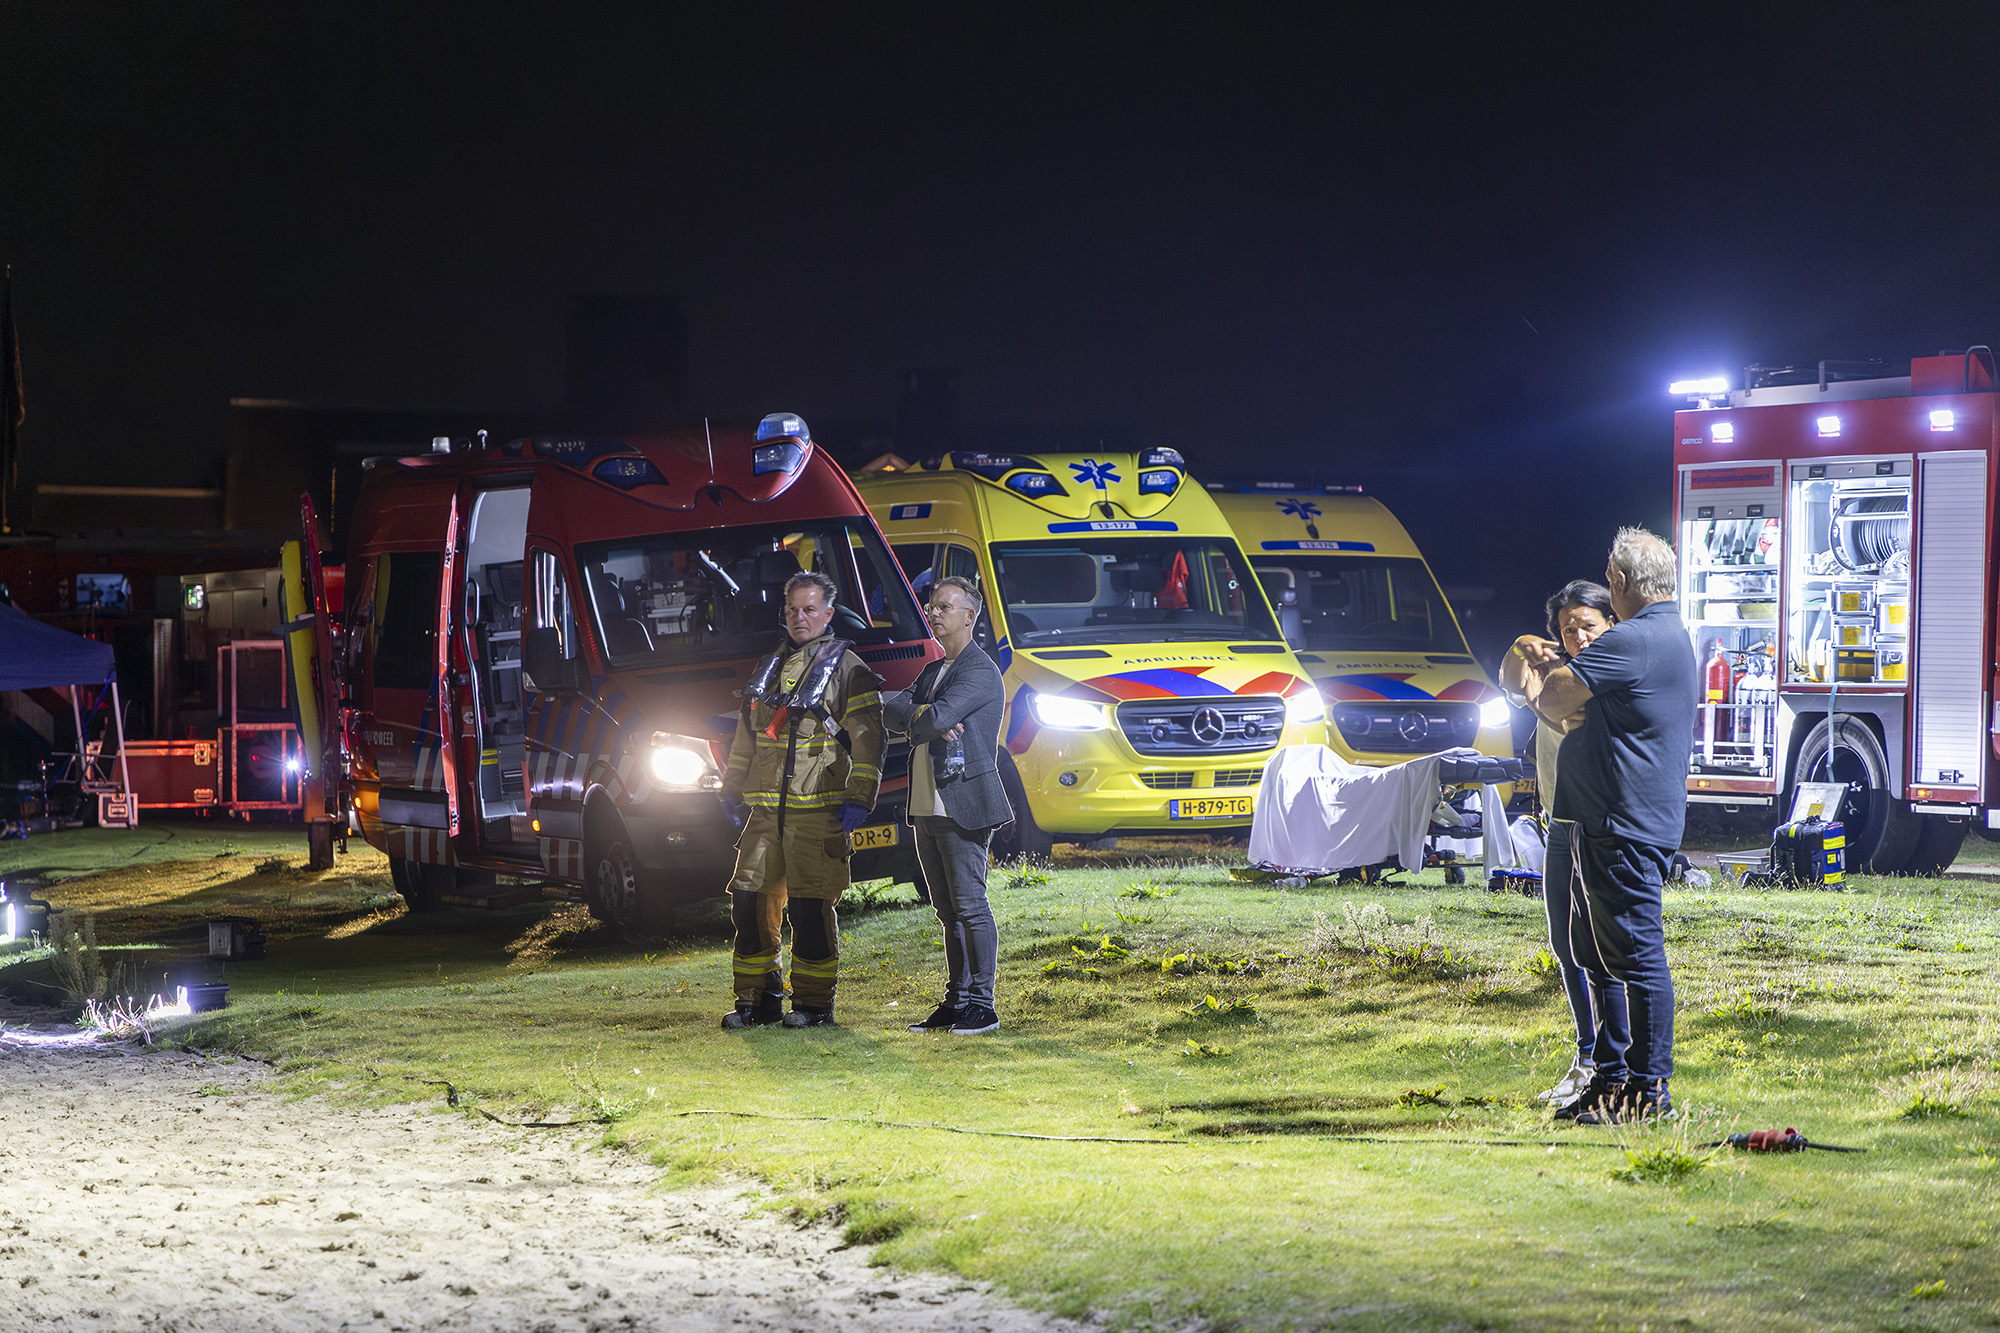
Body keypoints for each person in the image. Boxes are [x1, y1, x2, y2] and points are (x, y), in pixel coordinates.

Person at [1513, 528, 1697, 1124]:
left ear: (1617, 581)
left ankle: (1647, 1092)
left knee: (1636, 957)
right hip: (1608, 819)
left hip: (1623, 822)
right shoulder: (1663, 633)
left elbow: (1555, 702)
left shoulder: (1634, 639)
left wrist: (1538, 685)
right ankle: (1613, 1079)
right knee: (1598, 953)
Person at [719, 571, 885, 1030]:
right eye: (792, 609)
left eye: (810, 609)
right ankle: (758, 1002)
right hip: (765, 811)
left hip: (819, 810)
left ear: (828, 614)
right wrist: (731, 788)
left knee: (810, 910)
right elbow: (746, 738)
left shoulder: (848, 668)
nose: (800, 617)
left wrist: (860, 798)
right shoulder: (768, 665)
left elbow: (869, 738)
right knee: (748, 903)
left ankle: (813, 1006)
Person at [1500, 581, 1631, 1113]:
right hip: (1560, 822)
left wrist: (1538, 695)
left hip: (1599, 825)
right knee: (1565, 943)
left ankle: (1612, 1062)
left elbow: (1556, 713)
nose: (1578, 636)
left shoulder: (1609, 675)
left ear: (1611, 624)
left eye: (1588, 625)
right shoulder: (1555, 668)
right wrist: (1519, 648)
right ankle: (1586, 1055)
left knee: (1603, 947)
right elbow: (1510, 683)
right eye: (1567, 628)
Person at [883, 575, 1014, 1036]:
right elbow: (891, 711)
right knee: (946, 911)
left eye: (944, 606)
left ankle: (983, 1005)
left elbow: (937, 715)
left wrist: (926, 716)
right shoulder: (934, 670)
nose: (933, 613)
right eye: (932, 606)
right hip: (926, 803)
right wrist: (925, 718)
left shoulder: (979, 670)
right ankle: (957, 1000)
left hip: (963, 803)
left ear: (969, 616)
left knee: (970, 906)